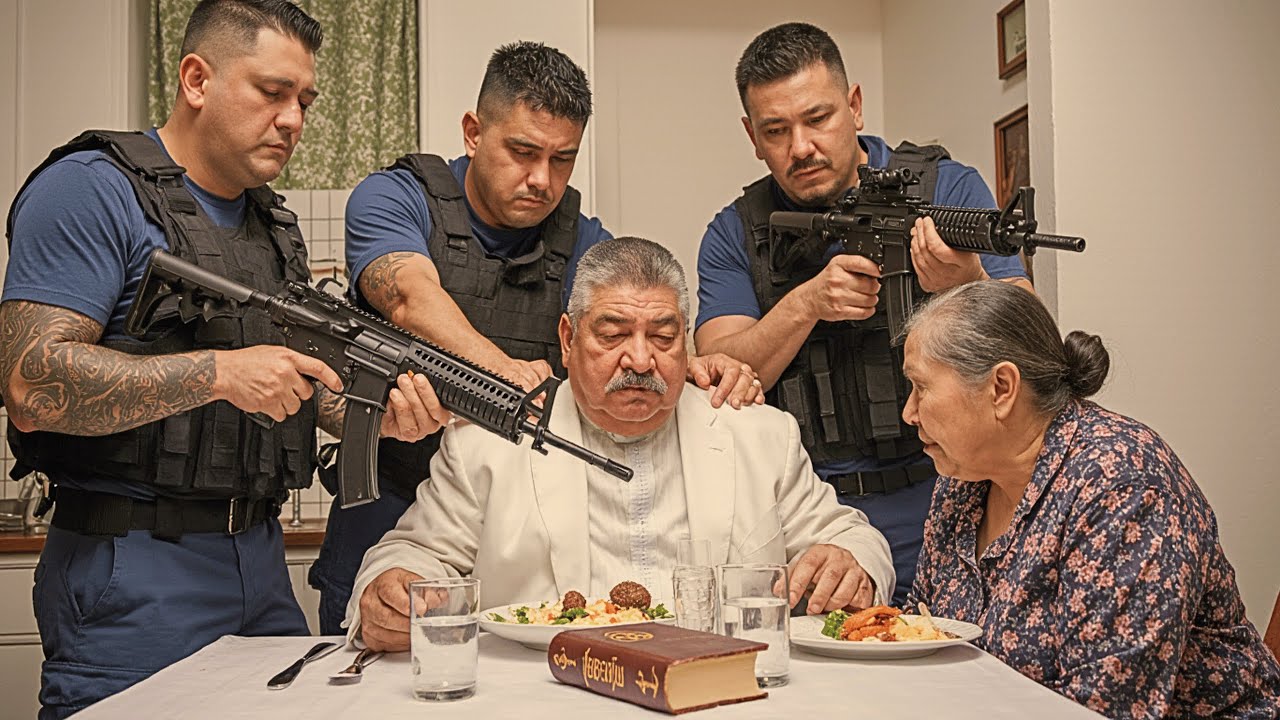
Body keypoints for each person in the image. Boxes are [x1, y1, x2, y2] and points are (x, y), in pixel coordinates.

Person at [0, 2, 444, 716]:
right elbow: (31, 381)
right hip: (133, 564)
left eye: (304, 100)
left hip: (260, 561)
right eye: (271, 92)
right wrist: (216, 373)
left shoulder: (274, 227)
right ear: (196, 79)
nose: (294, 118)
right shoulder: (90, 189)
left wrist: (380, 414)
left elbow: (297, 388)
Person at [310, 42, 763, 635]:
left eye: (562, 159)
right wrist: (505, 373)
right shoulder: (396, 197)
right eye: (522, 152)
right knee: (375, 639)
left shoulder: (579, 239)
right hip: (389, 490)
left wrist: (690, 365)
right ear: (473, 132)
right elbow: (406, 296)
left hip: (503, 509)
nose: (541, 180)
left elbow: (622, 319)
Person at [346, 237, 895, 651]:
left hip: (719, 696)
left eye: (662, 337)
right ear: (567, 338)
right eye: (611, 335)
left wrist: (853, 562)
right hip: (546, 700)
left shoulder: (755, 433)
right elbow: (414, 554)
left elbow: (849, 536)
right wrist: (389, 590)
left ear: (686, 339)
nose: (639, 360)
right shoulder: (489, 443)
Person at [694, 22, 1032, 604]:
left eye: (818, 118)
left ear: (854, 105)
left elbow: (1031, 339)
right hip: (805, 513)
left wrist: (968, 283)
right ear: (752, 136)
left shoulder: (946, 189)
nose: (800, 146)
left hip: (945, 495)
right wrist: (805, 304)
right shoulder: (736, 232)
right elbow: (718, 370)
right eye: (776, 130)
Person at [902, 281, 1280, 718]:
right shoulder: (964, 479)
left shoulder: (1124, 488)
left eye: (921, 387)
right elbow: (922, 636)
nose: (909, 412)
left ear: (1002, 388)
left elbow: (1104, 707)